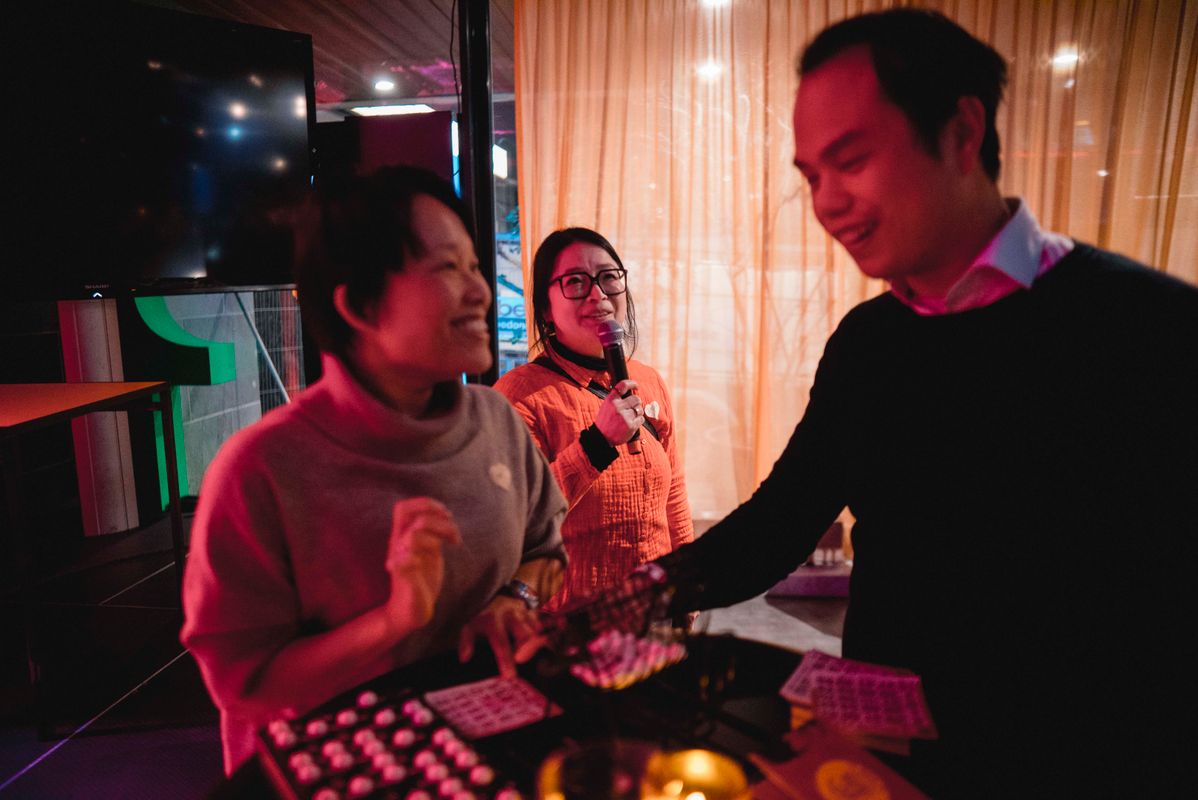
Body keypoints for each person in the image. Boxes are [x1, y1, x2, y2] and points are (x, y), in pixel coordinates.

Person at [642, 9, 1198, 797]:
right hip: (882, 760)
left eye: (851, 160)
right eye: (811, 176)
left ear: (963, 132)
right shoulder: (869, 342)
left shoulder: (1152, 329)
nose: (827, 202)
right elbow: (779, 521)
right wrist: (621, 602)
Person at [180, 167, 567, 773]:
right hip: (345, 770)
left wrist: (512, 599)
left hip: (483, 749)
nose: (482, 292)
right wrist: (392, 621)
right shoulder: (260, 471)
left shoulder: (496, 420)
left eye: (474, 265)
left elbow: (546, 549)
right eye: (448, 267)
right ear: (359, 305)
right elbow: (244, 686)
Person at [493, 228, 693, 610]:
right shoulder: (519, 396)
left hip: (653, 615)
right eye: (575, 282)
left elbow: (675, 495)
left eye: (608, 277)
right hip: (571, 625)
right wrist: (597, 443)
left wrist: (689, 586)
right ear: (546, 309)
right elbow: (518, 519)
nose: (597, 294)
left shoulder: (648, 379)